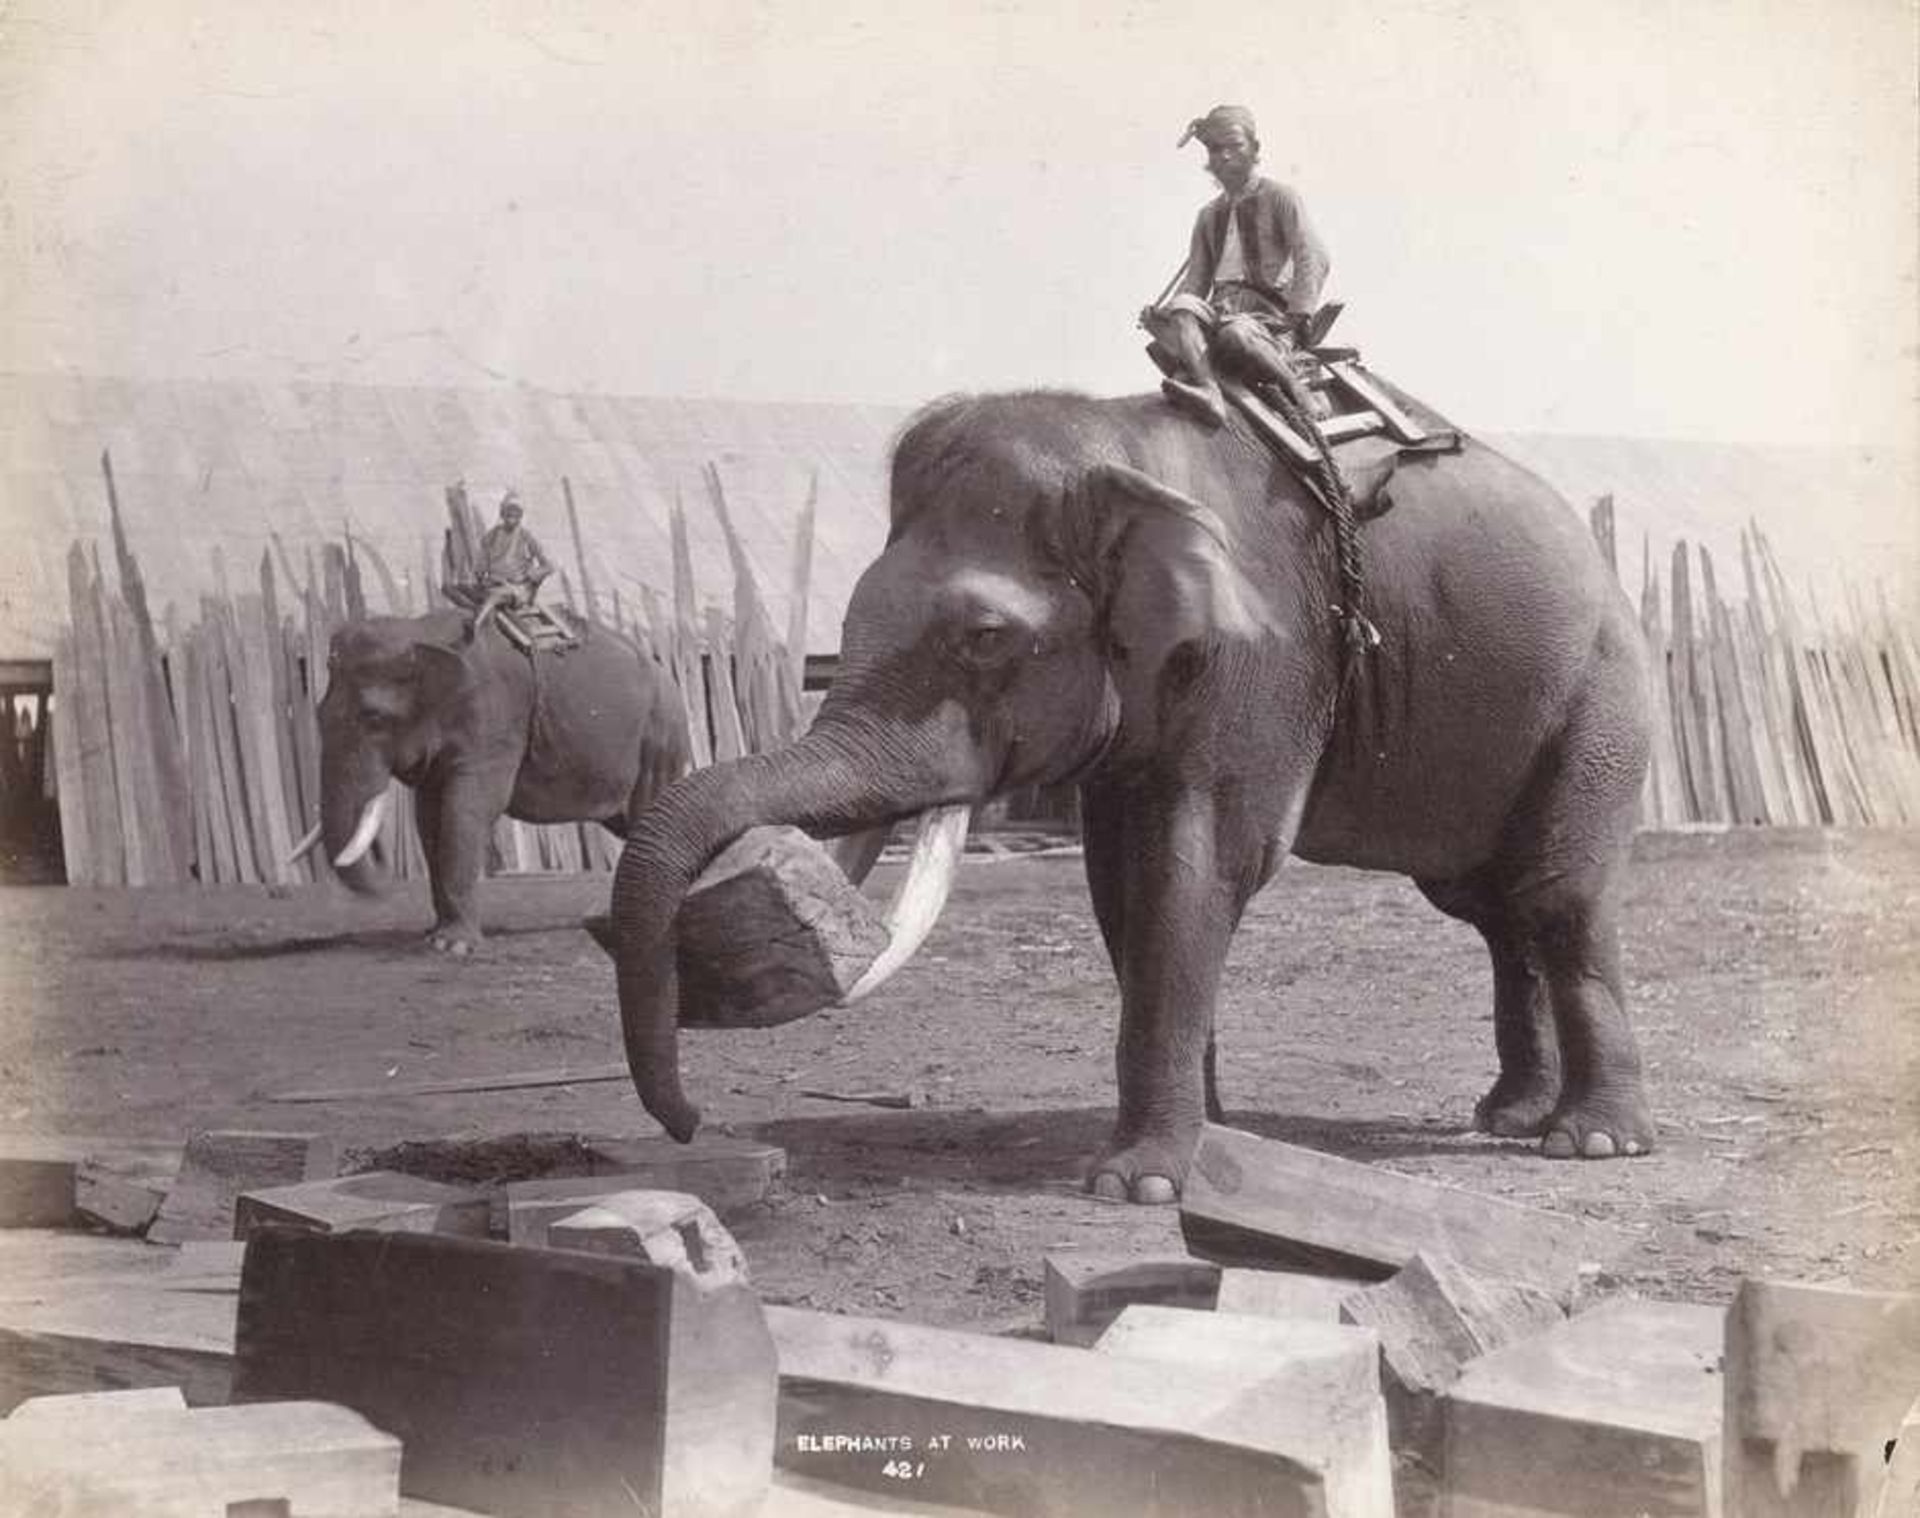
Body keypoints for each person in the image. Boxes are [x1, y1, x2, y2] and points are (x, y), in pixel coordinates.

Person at [1140, 104, 1331, 429]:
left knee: (1236, 336)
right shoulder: (1207, 216)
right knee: (1182, 306)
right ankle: (1210, 392)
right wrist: (1166, 315)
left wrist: (1300, 314)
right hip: (1220, 310)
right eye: (1216, 149)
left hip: (1268, 318)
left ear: (1254, 149)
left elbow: (1313, 255)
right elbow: (1196, 280)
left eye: (1234, 147)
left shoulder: (1280, 197)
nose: (1225, 157)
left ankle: (1297, 388)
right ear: (1209, 158)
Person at [469, 490, 554, 632]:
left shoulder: (526, 537)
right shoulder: (491, 536)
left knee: (494, 598)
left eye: (516, 515)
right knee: (484, 594)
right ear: (502, 514)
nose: (511, 518)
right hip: (495, 585)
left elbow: (549, 566)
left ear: (520, 516)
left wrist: (530, 577)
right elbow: (480, 567)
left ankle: (475, 626)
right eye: (508, 514)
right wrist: (482, 577)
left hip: (518, 590)